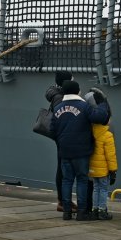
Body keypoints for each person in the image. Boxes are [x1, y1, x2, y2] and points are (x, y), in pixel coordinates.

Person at [50, 79, 110, 221]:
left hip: (64, 150)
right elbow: (100, 117)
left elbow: (52, 129)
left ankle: (67, 212)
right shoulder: (83, 106)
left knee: (67, 180)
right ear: (78, 91)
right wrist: (102, 102)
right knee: (82, 180)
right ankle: (82, 212)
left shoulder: (58, 107)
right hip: (81, 150)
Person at [44, 71, 75, 212]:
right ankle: (63, 201)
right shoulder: (60, 98)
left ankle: (63, 200)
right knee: (63, 168)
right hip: (64, 136)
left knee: (62, 167)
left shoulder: (54, 93)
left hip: (60, 135)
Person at [85, 89, 117, 220]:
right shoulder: (107, 135)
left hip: (92, 169)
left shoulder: (90, 132)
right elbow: (111, 156)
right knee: (103, 190)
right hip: (104, 170)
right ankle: (103, 210)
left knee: (96, 189)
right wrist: (113, 171)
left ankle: (95, 209)